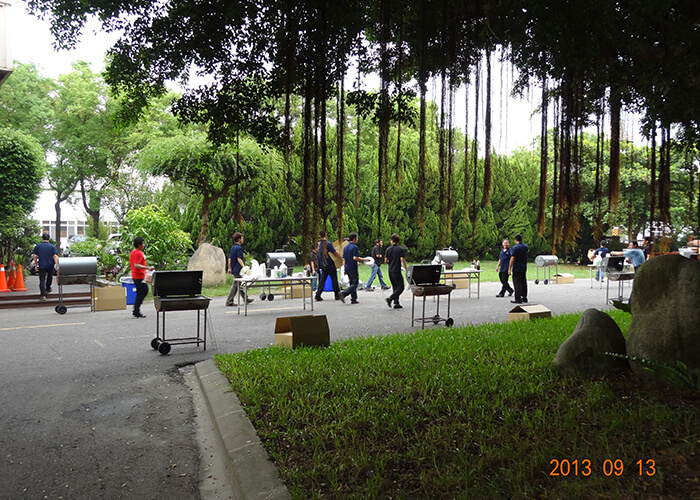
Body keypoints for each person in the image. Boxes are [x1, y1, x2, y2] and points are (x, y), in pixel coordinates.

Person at [340, 232, 371, 304]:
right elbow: (355, 258)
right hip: (352, 267)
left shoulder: (345, 248)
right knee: (355, 284)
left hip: (347, 267)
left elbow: (344, 259)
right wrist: (364, 259)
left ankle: (353, 298)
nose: (357, 239)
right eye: (357, 238)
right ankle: (344, 293)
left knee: (351, 283)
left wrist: (344, 268)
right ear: (354, 239)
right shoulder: (354, 247)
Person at [314, 230, 344, 302]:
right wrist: (341, 259)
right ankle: (337, 294)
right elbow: (335, 253)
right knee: (334, 279)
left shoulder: (319, 244)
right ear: (326, 234)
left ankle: (318, 295)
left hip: (323, 264)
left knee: (322, 280)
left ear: (319, 236)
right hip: (330, 264)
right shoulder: (328, 244)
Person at [225, 232, 253, 306]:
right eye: (242, 238)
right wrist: (244, 267)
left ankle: (246, 298)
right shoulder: (239, 248)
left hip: (234, 268)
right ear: (239, 239)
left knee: (239, 285)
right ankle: (229, 301)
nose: (243, 239)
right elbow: (239, 258)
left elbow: (229, 258)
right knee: (236, 285)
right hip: (238, 269)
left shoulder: (233, 248)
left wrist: (229, 268)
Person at [129, 236, 154, 318]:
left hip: (138, 275)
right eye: (143, 243)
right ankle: (136, 310)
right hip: (138, 276)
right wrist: (147, 268)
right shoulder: (138, 253)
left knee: (143, 291)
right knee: (142, 292)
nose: (144, 245)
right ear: (139, 245)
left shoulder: (133, 252)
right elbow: (136, 265)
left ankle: (136, 309)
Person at [31, 233, 58, 302]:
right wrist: (57, 265)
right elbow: (55, 256)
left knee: (42, 280)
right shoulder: (52, 246)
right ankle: (48, 288)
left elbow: (35, 256)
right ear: (49, 239)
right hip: (50, 265)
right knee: (50, 277)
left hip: (42, 265)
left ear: (42, 239)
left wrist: (35, 265)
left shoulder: (38, 246)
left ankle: (43, 295)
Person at [384, 233, 408, 309]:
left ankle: (396, 303)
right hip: (397, 270)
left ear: (392, 241)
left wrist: (390, 263)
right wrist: (406, 268)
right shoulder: (400, 249)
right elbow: (402, 259)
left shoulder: (388, 249)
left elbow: (385, 260)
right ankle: (391, 298)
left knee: (395, 286)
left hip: (390, 270)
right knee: (401, 287)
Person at [508, 233, 529, 304]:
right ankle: (524, 297)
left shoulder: (515, 248)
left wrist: (509, 268)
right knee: (523, 282)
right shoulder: (526, 247)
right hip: (524, 266)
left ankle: (518, 298)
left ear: (515, 240)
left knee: (517, 283)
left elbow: (513, 258)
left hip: (517, 267)